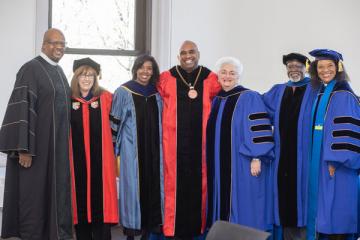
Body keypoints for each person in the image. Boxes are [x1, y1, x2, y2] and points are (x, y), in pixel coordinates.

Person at [0, 28, 73, 239]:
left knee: (55, 193)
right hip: (36, 149)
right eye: (54, 43)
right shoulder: (31, 69)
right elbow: (21, 108)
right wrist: (24, 148)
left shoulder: (58, 71)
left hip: (56, 147)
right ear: (43, 45)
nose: (59, 47)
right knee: (33, 195)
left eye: (62, 43)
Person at [157, 40, 221, 239]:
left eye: (191, 52)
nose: (188, 56)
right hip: (173, 146)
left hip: (200, 148)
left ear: (198, 54)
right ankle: (173, 229)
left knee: (199, 186)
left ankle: (197, 228)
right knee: (173, 187)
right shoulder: (166, 78)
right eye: (183, 53)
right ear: (178, 56)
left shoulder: (211, 78)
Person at [206, 57, 274, 232]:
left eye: (232, 73)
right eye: (223, 72)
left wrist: (257, 156)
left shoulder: (248, 97)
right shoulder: (217, 99)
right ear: (218, 75)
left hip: (242, 163)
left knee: (244, 203)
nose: (227, 76)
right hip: (219, 166)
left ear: (238, 76)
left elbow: (258, 129)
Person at [263, 53, 318, 240]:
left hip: (306, 157)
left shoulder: (316, 89)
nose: (294, 69)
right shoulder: (278, 91)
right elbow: (258, 109)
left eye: (298, 65)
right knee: (284, 198)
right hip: (281, 157)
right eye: (290, 66)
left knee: (305, 199)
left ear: (306, 68)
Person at [306, 49, 360, 240]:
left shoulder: (343, 93)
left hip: (337, 165)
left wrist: (336, 160)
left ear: (338, 68)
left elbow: (346, 130)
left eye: (329, 66)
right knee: (326, 209)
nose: (325, 70)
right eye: (320, 66)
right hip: (321, 162)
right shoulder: (322, 91)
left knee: (337, 209)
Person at [111, 54, 164, 240]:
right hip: (132, 150)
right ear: (136, 69)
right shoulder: (124, 91)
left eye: (149, 68)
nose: (145, 71)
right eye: (142, 67)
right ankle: (132, 232)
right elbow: (114, 123)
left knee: (154, 186)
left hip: (155, 151)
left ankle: (149, 230)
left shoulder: (157, 93)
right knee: (133, 189)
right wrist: (112, 151)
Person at [69, 58, 118, 240]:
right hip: (76, 164)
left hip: (102, 165)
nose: (86, 78)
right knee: (79, 210)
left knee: (101, 210)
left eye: (90, 75)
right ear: (76, 77)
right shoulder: (67, 100)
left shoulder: (106, 98)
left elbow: (119, 126)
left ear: (96, 77)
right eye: (82, 74)